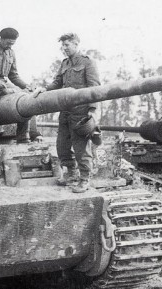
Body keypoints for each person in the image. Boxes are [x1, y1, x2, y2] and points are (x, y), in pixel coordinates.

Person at [42, 32, 101, 192]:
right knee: (62, 145)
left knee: (81, 147)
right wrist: (43, 89)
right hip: (65, 111)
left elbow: (94, 87)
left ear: (76, 44)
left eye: (67, 45)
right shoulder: (64, 63)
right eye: (62, 45)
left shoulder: (87, 62)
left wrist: (93, 110)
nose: (64, 48)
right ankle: (71, 173)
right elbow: (57, 82)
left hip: (81, 112)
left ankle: (84, 179)